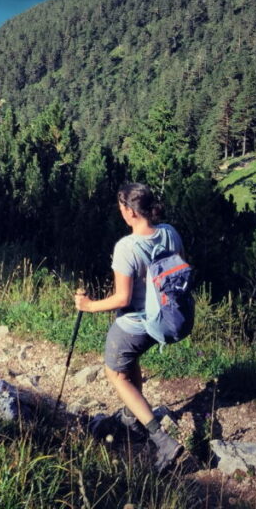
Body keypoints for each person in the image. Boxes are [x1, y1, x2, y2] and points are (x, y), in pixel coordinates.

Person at [74, 182, 184, 472]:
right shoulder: (170, 233)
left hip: (136, 323)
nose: (120, 212)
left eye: (122, 208)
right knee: (130, 361)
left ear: (130, 211)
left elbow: (122, 298)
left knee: (116, 374)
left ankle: (162, 441)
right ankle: (132, 419)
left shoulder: (127, 247)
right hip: (166, 319)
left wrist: (88, 306)